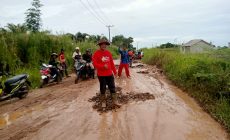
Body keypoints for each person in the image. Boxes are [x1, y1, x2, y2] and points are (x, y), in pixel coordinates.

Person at [92, 39, 118, 107]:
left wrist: (115, 72)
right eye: (102, 44)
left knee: (112, 87)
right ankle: (103, 102)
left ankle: (115, 101)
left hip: (109, 74)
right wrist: (103, 66)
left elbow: (112, 63)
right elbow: (94, 64)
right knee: (103, 88)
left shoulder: (108, 53)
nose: (104, 45)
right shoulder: (96, 53)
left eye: (105, 44)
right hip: (101, 75)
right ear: (100, 45)